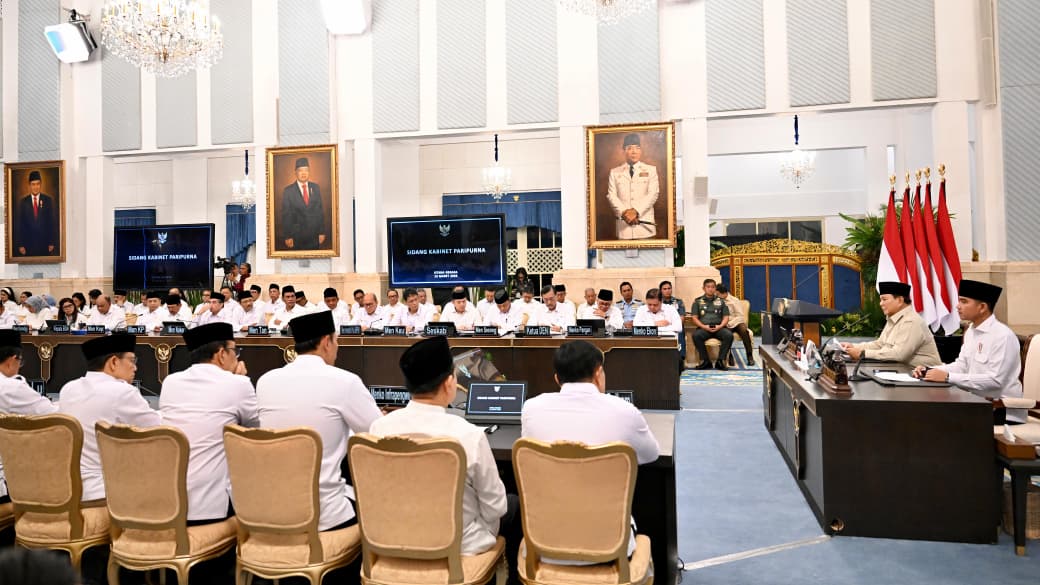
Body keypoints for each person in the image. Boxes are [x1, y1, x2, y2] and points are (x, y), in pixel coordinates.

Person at [369, 336, 510, 556]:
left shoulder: (379, 429)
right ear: (449, 383)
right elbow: (496, 508)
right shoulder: (469, 435)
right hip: (458, 546)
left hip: (394, 540)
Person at [521, 340, 659, 560]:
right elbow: (652, 454)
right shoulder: (624, 411)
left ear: (557, 378)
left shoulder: (531, 408)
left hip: (545, 545)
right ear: (598, 373)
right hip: (612, 547)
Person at [256, 311, 381, 530]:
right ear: (326, 342)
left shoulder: (265, 381)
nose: (337, 347)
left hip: (270, 511)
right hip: (325, 515)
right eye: (336, 340)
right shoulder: (344, 381)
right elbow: (378, 433)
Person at [160, 323, 258, 523]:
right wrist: (238, 379)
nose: (236, 357)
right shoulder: (237, 383)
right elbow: (255, 428)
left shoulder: (171, 382)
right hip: (211, 507)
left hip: (168, 503)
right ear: (222, 354)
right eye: (234, 351)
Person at [58, 333, 162, 501]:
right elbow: (159, 429)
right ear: (113, 362)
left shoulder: (69, 389)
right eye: (132, 361)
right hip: (106, 491)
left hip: (69, 488)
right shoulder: (121, 391)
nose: (135, 368)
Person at [913, 280, 1026, 424]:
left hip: (1002, 410)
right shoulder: (971, 331)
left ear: (982, 307)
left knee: (935, 419)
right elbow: (961, 366)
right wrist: (929, 370)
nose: (957, 306)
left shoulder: (1002, 336)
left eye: (964, 302)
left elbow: (995, 381)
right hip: (975, 403)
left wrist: (947, 377)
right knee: (923, 413)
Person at [0, 330, 59, 503]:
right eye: (20, 361)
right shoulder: (10, 387)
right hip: (7, 486)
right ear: (12, 360)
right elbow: (52, 415)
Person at [840, 282, 940, 368]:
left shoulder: (911, 321)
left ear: (900, 300)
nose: (881, 304)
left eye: (884, 299)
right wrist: (854, 346)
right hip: (904, 372)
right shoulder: (893, 318)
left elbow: (899, 354)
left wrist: (863, 353)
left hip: (925, 379)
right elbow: (880, 345)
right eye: (880, 300)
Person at [606, 133, 659, 240]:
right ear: (624, 151)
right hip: (624, 227)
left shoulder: (651, 170)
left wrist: (636, 212)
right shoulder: (614, 172)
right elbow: (611, 195)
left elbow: (653, 194)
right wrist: (624, 213)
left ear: (641, 151)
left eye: (637, 148)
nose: (634, 151)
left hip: (645, 227)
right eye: (629, 148)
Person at [281, 157, 326, 250]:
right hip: (296, 236)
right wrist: (288, 236)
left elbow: (320, 211)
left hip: (314, 235)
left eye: (306, 170)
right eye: (300, 170)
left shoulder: (316, 187)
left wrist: (321, 232)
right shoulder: (288, 191)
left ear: (309, 172)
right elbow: (286, 215)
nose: (304, 173)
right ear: (295, 172)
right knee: (298, 263)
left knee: (315, 262)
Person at [690, 278, 733, 371]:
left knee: (729, 335)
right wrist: (703, 326)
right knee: (696, 336)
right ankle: (706, 361)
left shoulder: (721, 301)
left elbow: (726, 317)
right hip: (704, 328)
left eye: (713, 287)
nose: (710, 289)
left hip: (719, 328)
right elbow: (694, 317)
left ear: (715, 289)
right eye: (708, 287)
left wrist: (720, 326)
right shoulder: (697, 301)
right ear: (703, 288)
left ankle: (720, 361)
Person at [14, 170, 59, 257]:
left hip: (44, 244)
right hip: (28, 244)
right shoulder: (23, 202)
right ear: (29, 185)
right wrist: (20, 244)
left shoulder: (48, 200)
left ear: (41, 184)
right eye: (33, 184)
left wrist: (51, 242)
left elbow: (52, 223)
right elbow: (20, 225)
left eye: (38, 184)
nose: (35, 187)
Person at [716, 284, 755, 366]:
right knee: (726, 334)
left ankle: (749, 355)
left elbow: (740, 316)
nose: (716, 295)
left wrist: (730, 323)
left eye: (718, 293)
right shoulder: (717, 301)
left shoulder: (734, 300)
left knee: (744, 331)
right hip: (724, 323)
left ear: (723, 293)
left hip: (736, 322)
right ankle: (729, 355)